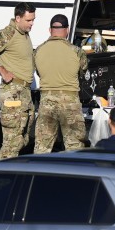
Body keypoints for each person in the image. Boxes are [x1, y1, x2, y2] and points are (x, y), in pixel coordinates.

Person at [0, 2, 36, 159]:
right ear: (18, 18)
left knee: (23, 139)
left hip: (24, 91)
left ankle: (8, 168)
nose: (32, 23)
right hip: (13, 92)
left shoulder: (24, 34)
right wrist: (3, 71)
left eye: (33, 20)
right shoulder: (9, 33)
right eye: (28, 20)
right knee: (12, 143)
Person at [33, 14, 89, 153]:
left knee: (42, 148)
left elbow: (38, 72)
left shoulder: (38, 51)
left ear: (49, 30)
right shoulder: (77, 52)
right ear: (67, 30)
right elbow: (82, 72)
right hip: (70, 102)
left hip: (47, 101)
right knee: (75, 147)